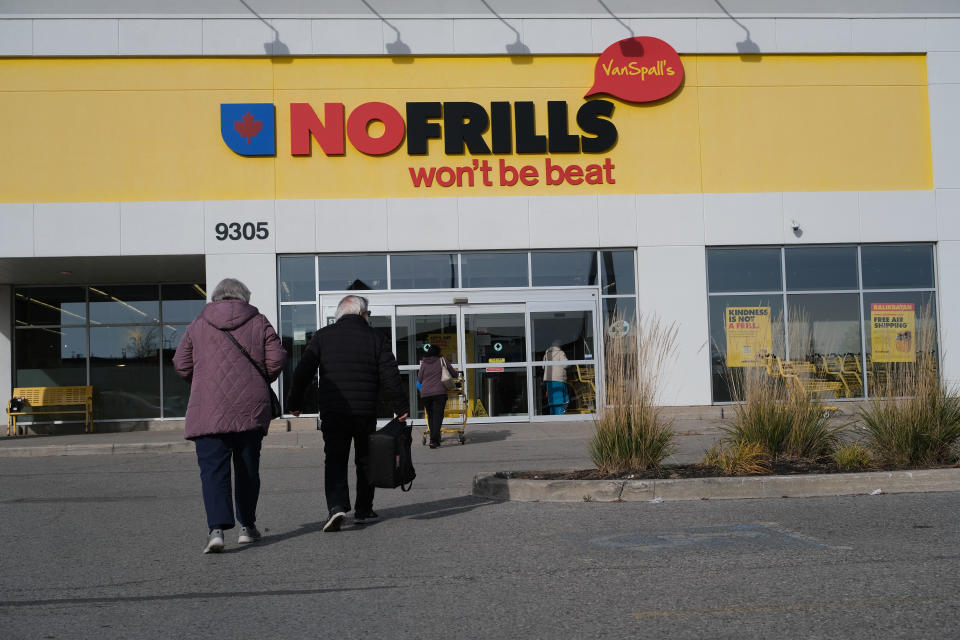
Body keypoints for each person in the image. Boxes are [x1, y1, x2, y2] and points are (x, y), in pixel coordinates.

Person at [173, 278, 287, 554]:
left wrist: (202, 382)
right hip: (249, 407)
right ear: (243, 297)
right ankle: (247, 527)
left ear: (215, 297)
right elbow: (277, 358)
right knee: (248, 469)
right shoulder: (259, 321)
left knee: (213, 471)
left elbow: (181, 363)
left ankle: (216, 531)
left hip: (208, 410)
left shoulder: (198, 323)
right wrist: (259, 380)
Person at [287, 295, 408, 532]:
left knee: (335, 458)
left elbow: (303, 371)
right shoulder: (376, 338)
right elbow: (390, 376)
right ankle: (364, 509)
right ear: (362, 313)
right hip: (364, 411)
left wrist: (295, 402)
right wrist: (400, 406)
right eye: (368, 314)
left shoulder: (322, 336)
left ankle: (337, 507)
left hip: (334, 411)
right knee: (365, 459)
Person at [417, 344, 458, 448]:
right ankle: (434, 441)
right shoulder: (441, 360)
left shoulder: (424, 362)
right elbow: (453, 374)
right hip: (439, 393)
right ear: (438, 352)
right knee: (437, 417)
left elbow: (419, 380)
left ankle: (433, 439)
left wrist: (424, 389)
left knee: (431, 416)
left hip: (425, 394)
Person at [543, 340, 569, 415]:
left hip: (549, 380)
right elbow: (566, 364)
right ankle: (560, 415)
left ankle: (552, 416)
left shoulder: (547, 353)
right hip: (559, 379)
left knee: (552, 401)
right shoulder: (561, 353)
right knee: (560, 400)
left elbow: (543, 366)